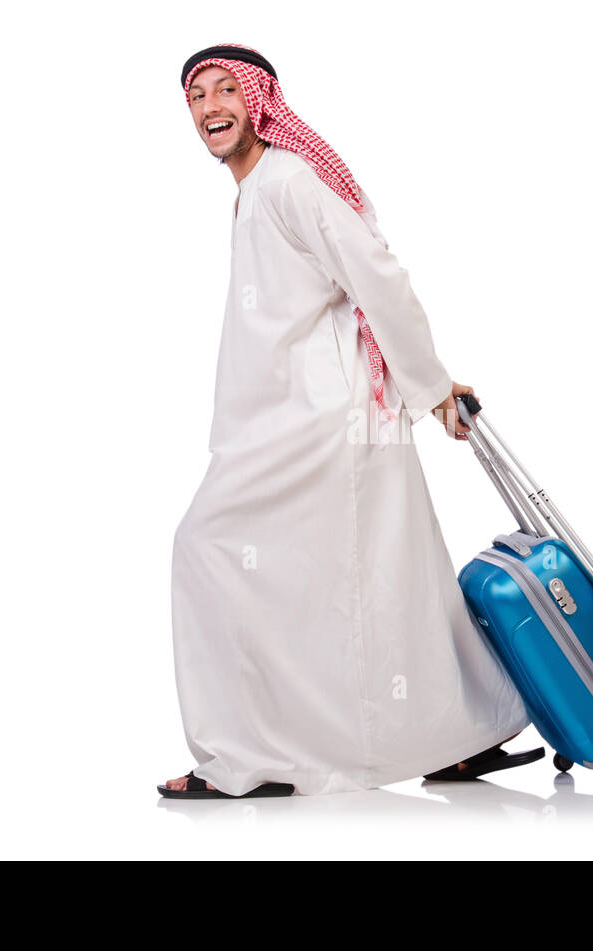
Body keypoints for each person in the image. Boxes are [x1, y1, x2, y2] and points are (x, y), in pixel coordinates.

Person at [160, 44, 541, 799]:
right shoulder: (256, 190)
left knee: (207, 548)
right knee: (382, 580)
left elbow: (378, 274)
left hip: (322, 426)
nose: (210, 107)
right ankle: (449, 738)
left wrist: (430, 387)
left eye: (226, 89)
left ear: (261, 100)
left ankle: (243, 760)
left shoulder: (290, 180)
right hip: (298, 426)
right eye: (197, 94)